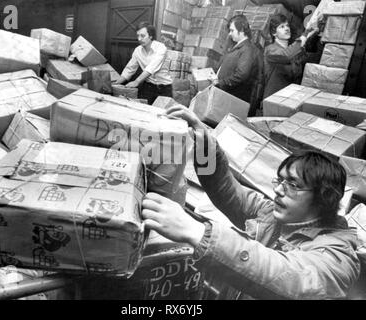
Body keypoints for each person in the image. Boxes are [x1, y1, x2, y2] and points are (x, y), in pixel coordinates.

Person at [141, 105, 361, 300]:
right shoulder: (272, 214)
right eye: (280, 180)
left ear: (324, 198)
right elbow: (227, 189)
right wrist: (204, 144)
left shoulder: (338, 255)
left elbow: (292, 278)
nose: (277, 189)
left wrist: (200, 233)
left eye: (292, 184)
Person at [115, 22, 173, 105]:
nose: (139, 39)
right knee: (143, 112)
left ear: (151, 36)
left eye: (142, 36)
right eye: (138, 36)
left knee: (163, 114)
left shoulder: (161, 48)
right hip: (148, 87)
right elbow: (129, 69)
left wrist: (136, 81)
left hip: (164, 89)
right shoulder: (137, 50)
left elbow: (152, 67)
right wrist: (117, 83)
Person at [263, 13, 318, 99]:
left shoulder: (293, 51)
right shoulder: (270, 50)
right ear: (274, 33)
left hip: (290, 99)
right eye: (282, 27)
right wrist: (305, 34)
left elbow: (306, 58)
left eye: (287, 26)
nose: (287, 29)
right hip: (273, 99)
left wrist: (310, 35)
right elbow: (286, 56)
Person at [213, 15, 259, 106]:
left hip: (232, 99)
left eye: (232, 30)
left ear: (241, 29)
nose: (230, 33)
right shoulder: (236, 46)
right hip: (223, 94)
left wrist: (221, 82)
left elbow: (242, 74)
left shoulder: (247, 49)